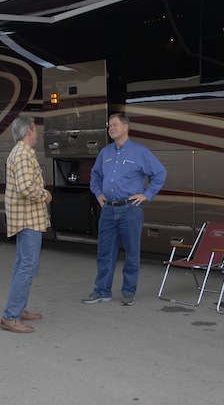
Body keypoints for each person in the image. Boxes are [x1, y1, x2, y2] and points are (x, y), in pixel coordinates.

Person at [83, 113, 167, 306]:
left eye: (114, 124)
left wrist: (147, 194)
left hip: (130, 210)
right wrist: (98, 193)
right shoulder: (105, 153)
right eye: (109, 125)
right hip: (108, 209)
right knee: (105, 252)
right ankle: (102, 291)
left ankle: (129, 292)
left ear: (126, 127)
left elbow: (160, 173)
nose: (110, 128)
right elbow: (95, 176)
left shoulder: (140, 152)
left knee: (131, 252)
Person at [0, 115, 53, 333]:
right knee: (28, 266)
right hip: (28, 219)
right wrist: (45, 195)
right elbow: (25, 187)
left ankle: (18, 309)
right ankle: (10, 316)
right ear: (28, 131)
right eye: (35, 129)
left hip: (24, 218)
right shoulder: (22, 154)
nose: (37, 133)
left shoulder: (20, 153)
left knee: (22, 264)